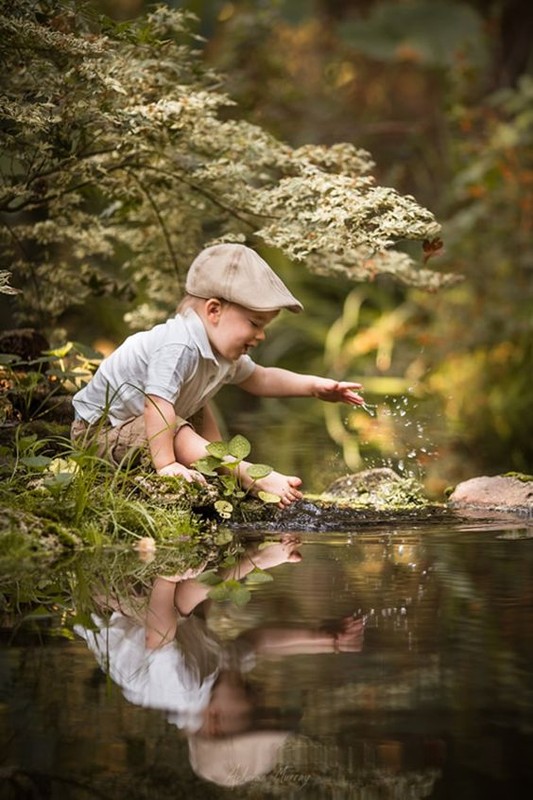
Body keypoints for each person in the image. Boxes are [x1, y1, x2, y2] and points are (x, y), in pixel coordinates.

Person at [71, 243, 365, 507]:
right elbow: (156, 406)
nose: (261, 335)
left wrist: (314, 386)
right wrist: (167, 466)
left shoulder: (220, 353)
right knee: (176, 422)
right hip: (100, 434)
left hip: (142, 427)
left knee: (200, 405)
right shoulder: (179, 344)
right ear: (214, 310)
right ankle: (247, 474)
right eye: (254, 323)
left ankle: (221, 471)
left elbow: (260, 378)